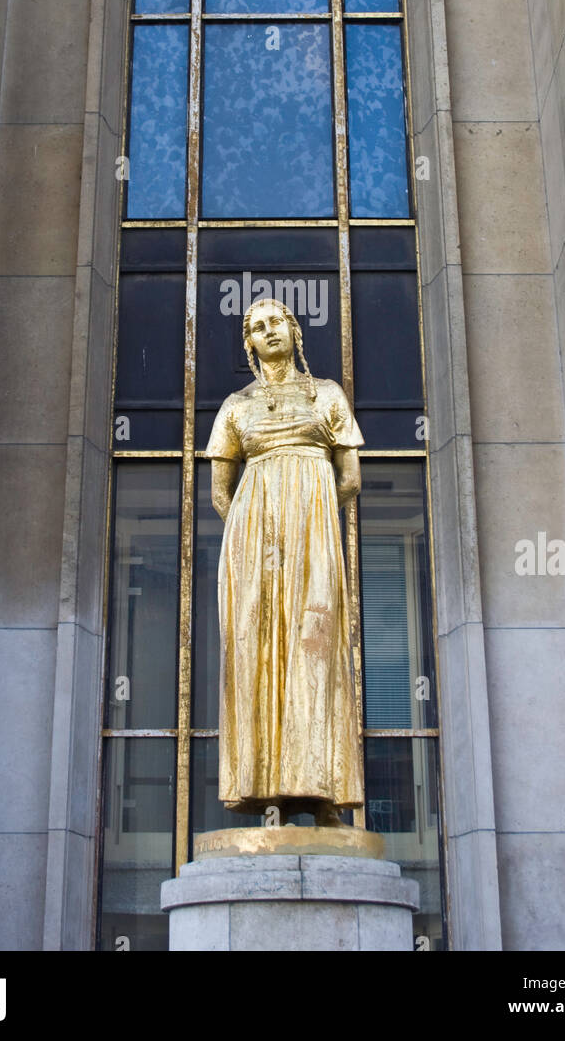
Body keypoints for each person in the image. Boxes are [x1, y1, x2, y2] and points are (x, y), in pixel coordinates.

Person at [206, 297, 365, 827]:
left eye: (276, 322)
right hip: (255, 541)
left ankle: (321, 792)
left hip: (313, 535)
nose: (268, 331)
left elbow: (351, 477)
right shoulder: (236, 405)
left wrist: (310, 518)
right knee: (258, 649)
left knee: (316, 648)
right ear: (248, 343)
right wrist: (255, 535)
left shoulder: (327, 395)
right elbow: (220, 492)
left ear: (294, 331)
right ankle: (266, 792)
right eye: (256, 327)